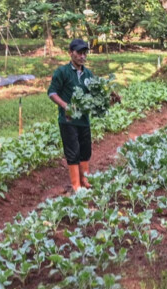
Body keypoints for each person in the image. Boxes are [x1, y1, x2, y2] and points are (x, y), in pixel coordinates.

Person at [48, 39, 108, 191]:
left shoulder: (88, 74)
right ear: (71, 53)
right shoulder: (62, 72)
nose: (82, 56)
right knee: (73, 151)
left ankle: (85, 180)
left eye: (84, 53)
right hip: (68, 121)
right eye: (79, 53)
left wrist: (108, 99)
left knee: (85, 150)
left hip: (84, 120)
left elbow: (95, 95)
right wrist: (65, 106)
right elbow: (52, 92)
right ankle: (76, 185)